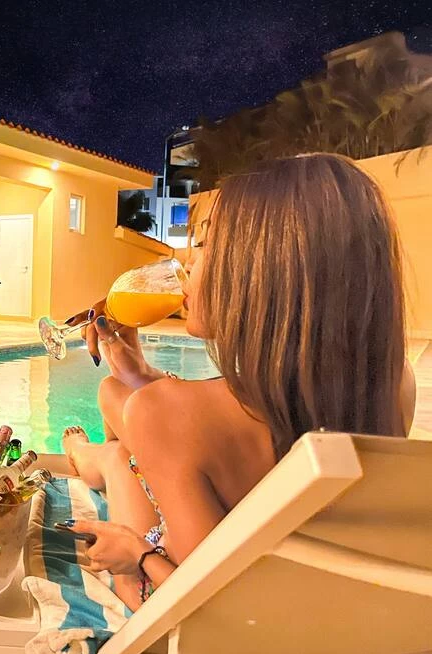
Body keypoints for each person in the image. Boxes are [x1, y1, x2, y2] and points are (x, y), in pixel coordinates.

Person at [58, 154, 414, 610]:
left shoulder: (165, 413)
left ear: (261, 270)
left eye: (205, 245)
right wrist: (138, 374)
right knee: (116, 398)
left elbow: (205, 607)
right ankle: (87, 453)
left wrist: (138, 554)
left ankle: (83, 454)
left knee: (117, 454)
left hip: (196, 605)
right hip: (323, 602)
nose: (186, 263)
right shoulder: (393, 383)